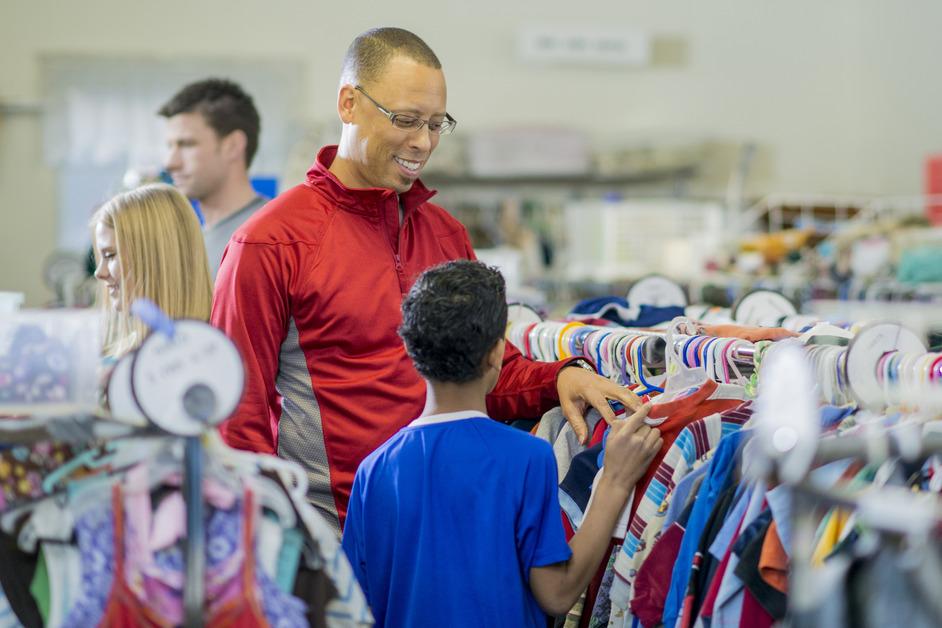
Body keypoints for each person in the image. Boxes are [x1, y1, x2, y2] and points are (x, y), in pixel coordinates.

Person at [211, 27, 641, 533]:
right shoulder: (271, 242)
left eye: (437, 124)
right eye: (406, 120)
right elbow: (236, 413)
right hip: (328, 533)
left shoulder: (444, 234)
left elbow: (481, 372)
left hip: (442, 524)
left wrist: (560, 376)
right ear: (349, 103)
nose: (423, 142)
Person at [341, 260, 661, 627]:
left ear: (411, 352)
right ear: (497, 353)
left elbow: (352, 605)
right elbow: (556, 592)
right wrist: (614, 482)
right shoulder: (526, 457)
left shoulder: (374, 469)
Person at [159, 78, 267, 278]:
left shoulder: (270, 239)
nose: (170, 162)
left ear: (233, 146)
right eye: (170, 146)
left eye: (187, 144)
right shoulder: (193, 241)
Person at [92, 183, 213, 359]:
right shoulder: (122, 362)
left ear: (154, 257)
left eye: (110, 255)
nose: (99, 272)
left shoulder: (215, 355)